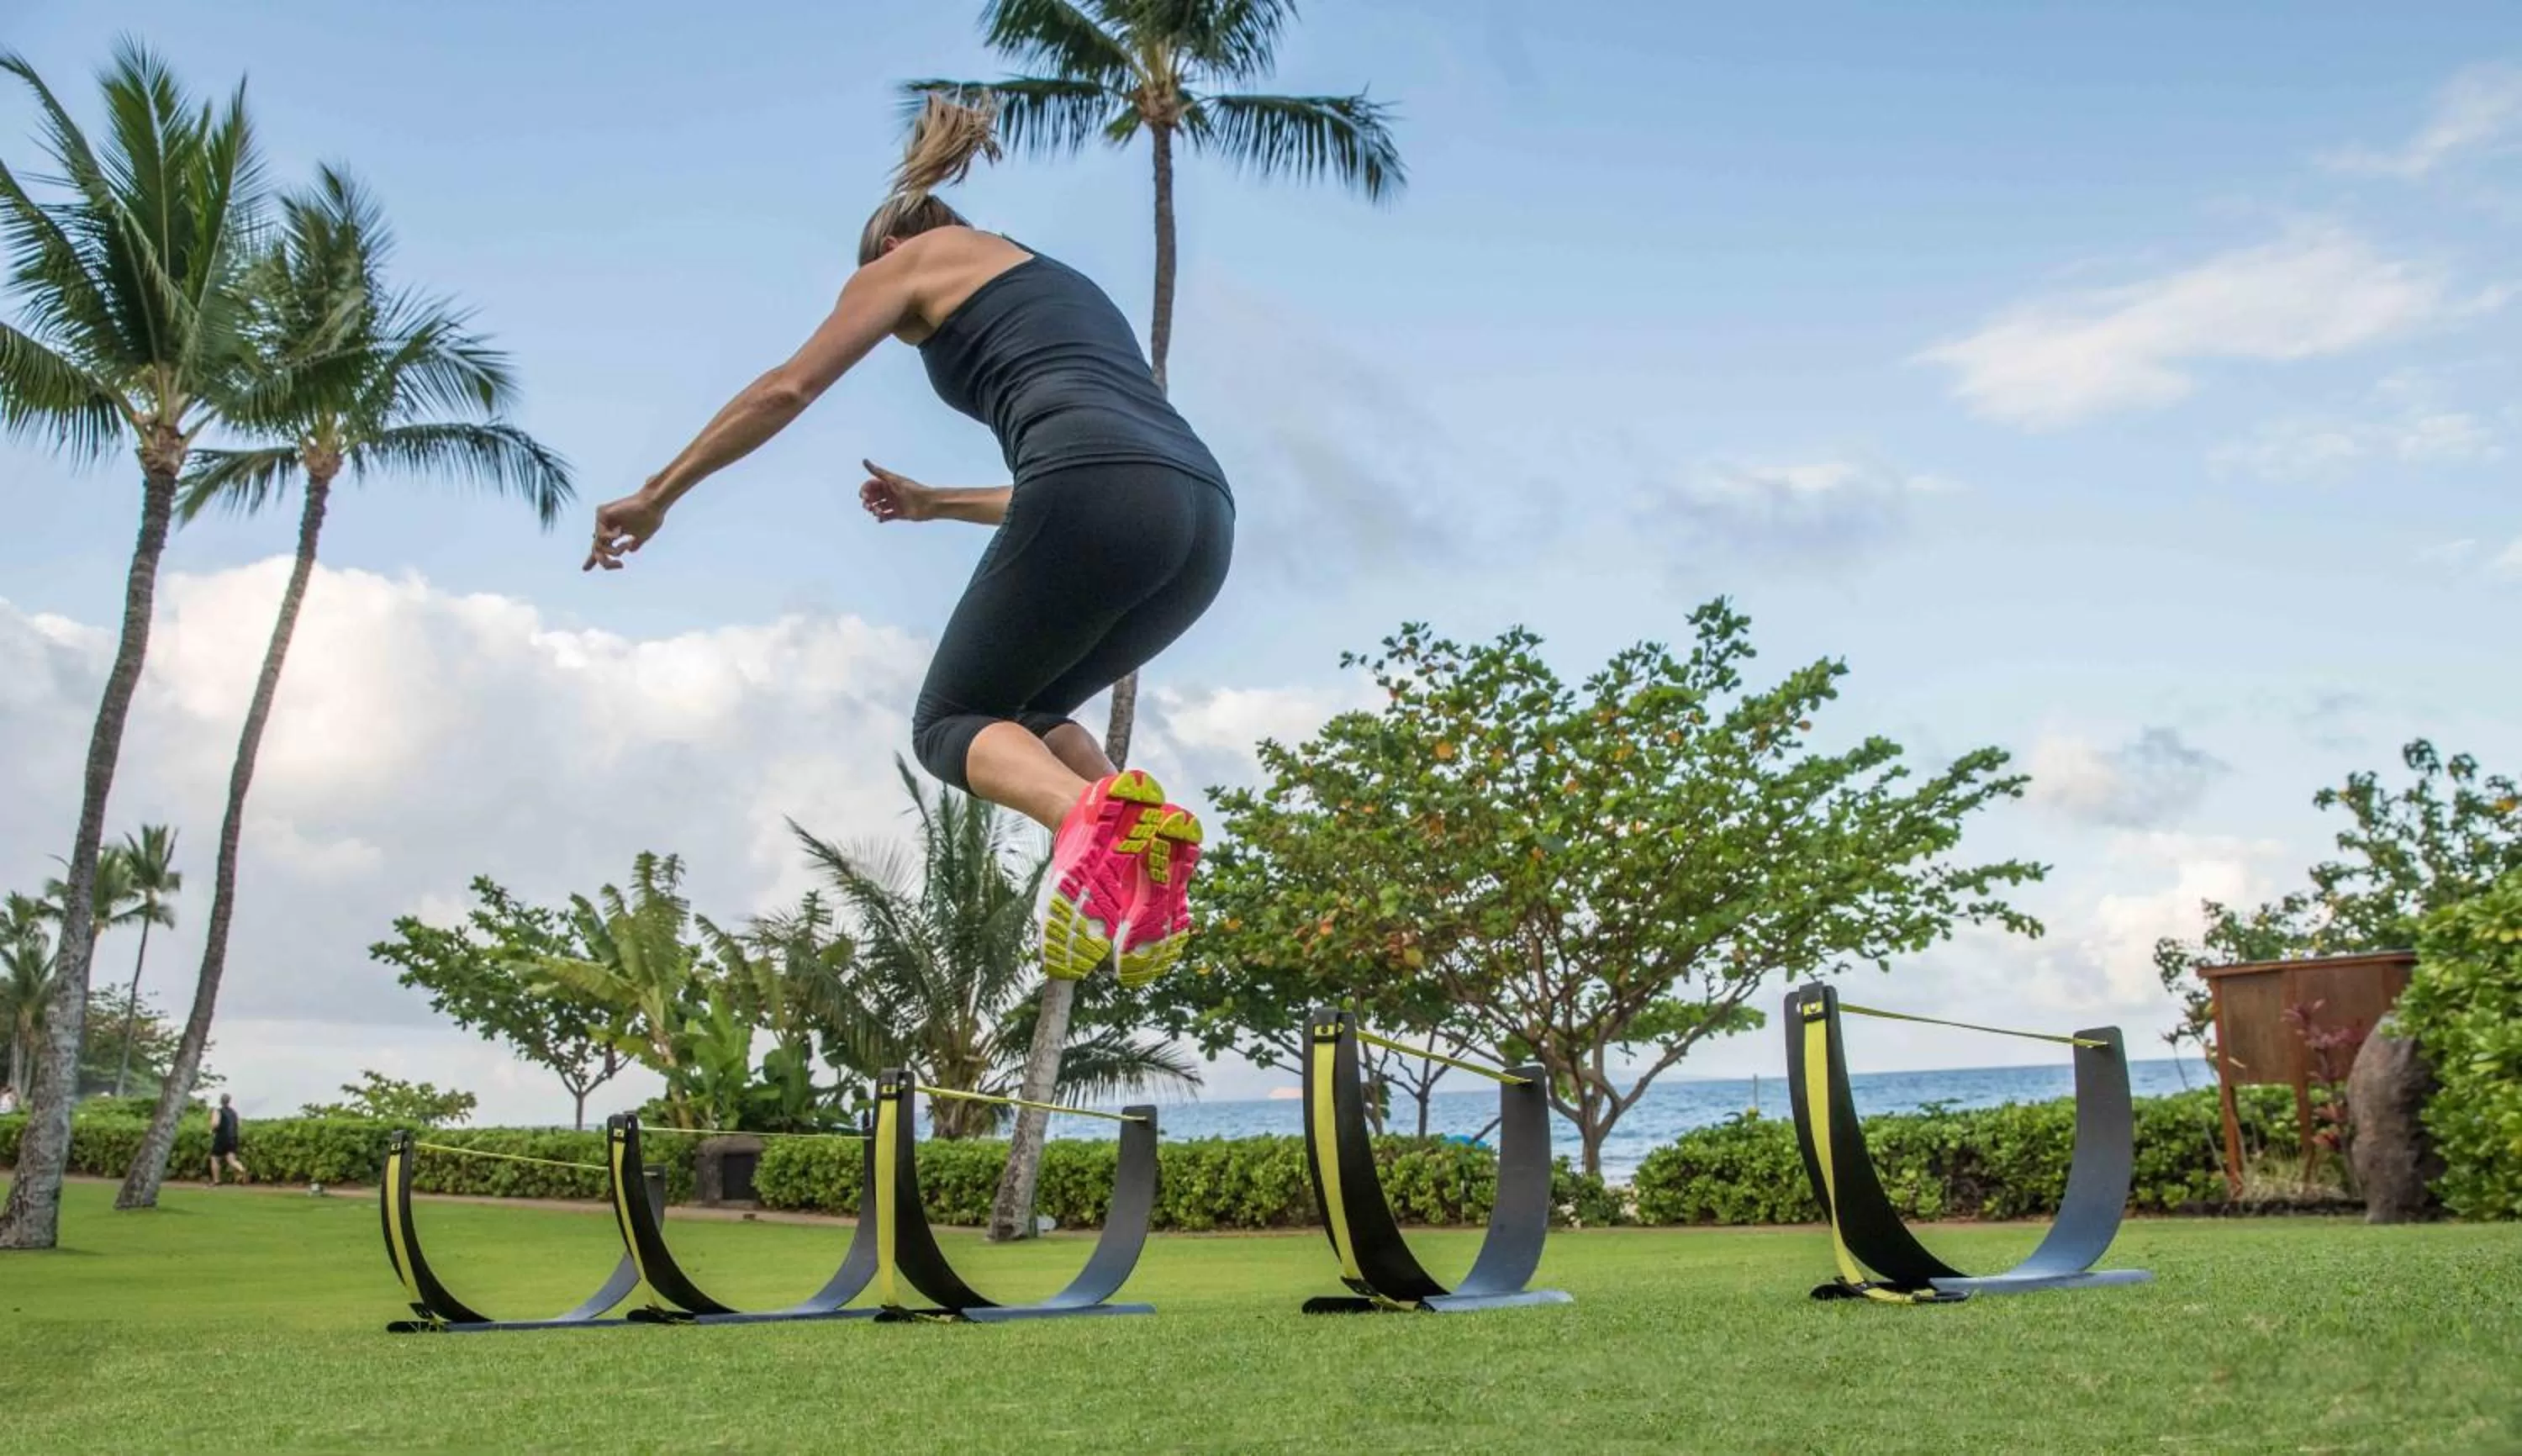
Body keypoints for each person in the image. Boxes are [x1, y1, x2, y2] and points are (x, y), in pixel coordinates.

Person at [584, 97, 1232, 989]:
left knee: (948, 724)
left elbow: (785, 388)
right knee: (1027, 714)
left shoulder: (911, 261)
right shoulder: (1055, 280)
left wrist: (659, 494)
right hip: (1199, 519)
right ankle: (1141, 855)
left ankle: (1089, 818)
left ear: (886, 255)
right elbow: (1093, 485)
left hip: (1094, 488)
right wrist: (935, 504)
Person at [207, 1092, 247, 1185]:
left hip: (222, 1137)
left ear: (221, 1101)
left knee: (215, 1158)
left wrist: (211, 1130)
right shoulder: (234, 1112)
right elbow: (239, 1124)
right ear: (229, 1101)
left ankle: (216, 1180)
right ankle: (242, 1169)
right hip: (233, 1137)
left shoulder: (218, 1111)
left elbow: (215, 1124)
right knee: (231, 1160)